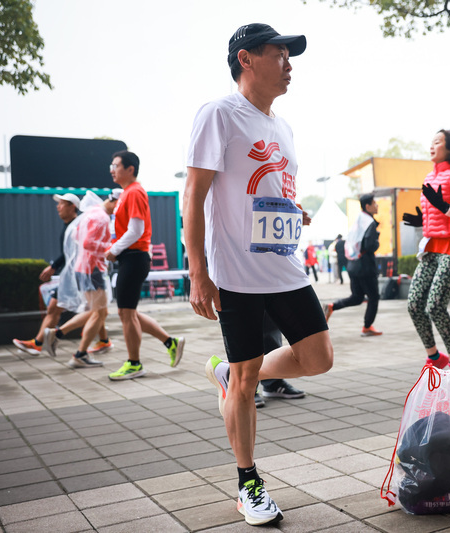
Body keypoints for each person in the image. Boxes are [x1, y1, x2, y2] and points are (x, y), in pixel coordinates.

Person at [184, 23, 333, 527]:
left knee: (318, 358)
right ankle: (249, 482)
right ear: (246, 60)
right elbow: (195, 194)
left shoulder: (282, 126)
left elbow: (270, 190)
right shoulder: (219, 115)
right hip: (237, 273)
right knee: (247, 382)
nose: (289, 64)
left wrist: (295, 212)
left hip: (284, 265)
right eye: (280, 54)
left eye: (290, 56)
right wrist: (198, 270)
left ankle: (230, 372)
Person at [44, 191, 184, 366]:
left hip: (85, 268)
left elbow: (77, 237)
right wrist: (112, 249)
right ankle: (77, 352)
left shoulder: (92, 213)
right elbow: (89, 243)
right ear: (114, 201)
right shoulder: (101, 217)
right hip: (93, 269)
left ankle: (63, 338)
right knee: (104, 313)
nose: (120, 211)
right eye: (120, 206)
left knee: (107, 312)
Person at [105, 151, 184, 380]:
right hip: (130, 257)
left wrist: (114, 250)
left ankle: (134, 364)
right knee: (129, 312)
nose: (112, 169)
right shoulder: (127, 194)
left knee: (125, 313)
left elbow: (136, 230)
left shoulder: (135, 192)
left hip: (134, 256)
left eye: (116, 165)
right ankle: (171, 342)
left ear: (130, 169)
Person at [401, 129, 450, 370]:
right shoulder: (429, 178)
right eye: (431, 142)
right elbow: (436, 216)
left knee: (435, 306)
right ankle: (434, 357)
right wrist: (421, 220)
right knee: (414, 304)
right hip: (432, 247)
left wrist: (443, 206)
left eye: (438, 142)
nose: (432, 146)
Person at [13, 193, 111, 356]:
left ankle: (50, 339)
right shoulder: (75, 225)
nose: (58, 207)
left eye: (62, 204)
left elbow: (79, 251)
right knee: (97, 310)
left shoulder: (78, 225)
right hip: (81, 274)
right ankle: (96, 345)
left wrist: (54, 267)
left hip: (79, 275)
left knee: (96, 310)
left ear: (73, 207)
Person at [322, 193, 382, 336]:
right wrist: (377, 242)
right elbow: (368, 245)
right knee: (374, 297)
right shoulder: (370, 223)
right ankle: (367, 327)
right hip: (365, 267)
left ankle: (331, 306)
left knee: (357, 297)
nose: (376, 205)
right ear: (367, 206)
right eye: (374, 203)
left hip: (353, 265)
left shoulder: (359, 220)